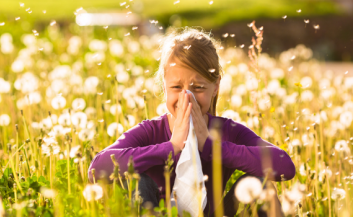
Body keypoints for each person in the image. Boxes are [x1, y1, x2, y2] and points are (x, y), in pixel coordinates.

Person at [88, 27, 296, 217]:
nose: (186, 98)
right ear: (164, 86)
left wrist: (211, 146)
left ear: (215, 87)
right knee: (137, 182)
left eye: (198, 88)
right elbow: (97, 169)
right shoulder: (150, 131)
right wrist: (171, 147)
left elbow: (284, 166)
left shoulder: (226, 131)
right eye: (177, 87)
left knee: (261, 186)